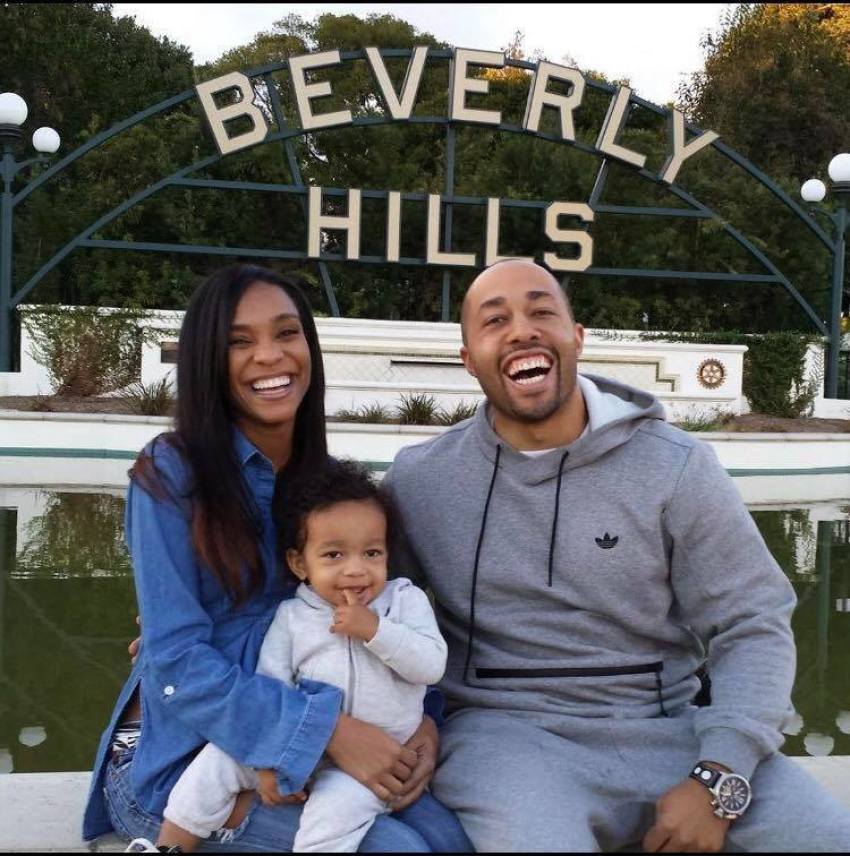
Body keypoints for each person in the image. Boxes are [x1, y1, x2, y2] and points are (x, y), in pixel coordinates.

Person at [383, 258, 850, 852]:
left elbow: (752, 622)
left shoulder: (676, 465)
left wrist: (719, 775)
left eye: (541, 311)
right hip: (506, 740)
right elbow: (366, 615)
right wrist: (416, 716)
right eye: (494, 320)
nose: (522, 330)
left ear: (576, 338)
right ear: (468, 359)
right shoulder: (421, 480)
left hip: (671, 728)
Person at [81, 264, 472, 853]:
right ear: (209, 360)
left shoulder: (330, 491)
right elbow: (178, 660)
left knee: (451, 839)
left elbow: (393, 614)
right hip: (183, 767)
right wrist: (318, 735)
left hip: (326, 748)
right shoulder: (171, 473)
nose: (270, 356)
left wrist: (425, 726)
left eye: (287, 334)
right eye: (240, 341)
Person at [144, 458, 448, 853]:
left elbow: (431, 665)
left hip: (375, 760)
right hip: (302, 745)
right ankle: (169, 845)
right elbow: (273, 685)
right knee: (215, 763)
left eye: (371, 553)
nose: (356, 570)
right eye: (334, 556)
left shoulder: (403, 602)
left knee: (330, 822)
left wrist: (376, 631)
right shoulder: (292, 616)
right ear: (299, 563)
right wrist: (270, 756)